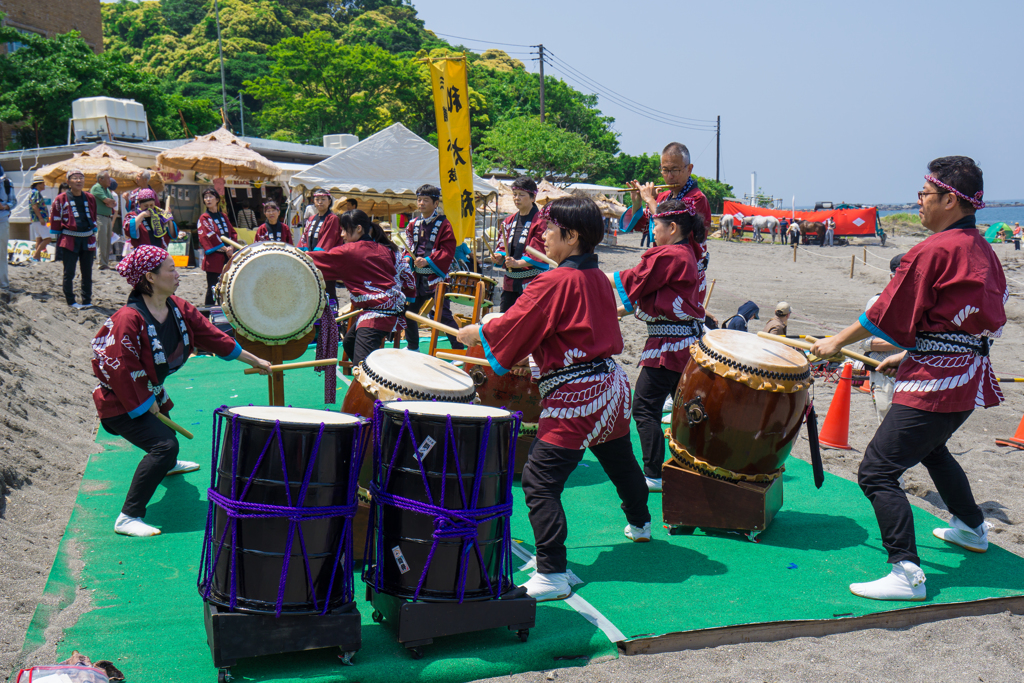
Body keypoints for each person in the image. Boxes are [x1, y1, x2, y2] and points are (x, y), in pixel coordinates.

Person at [811, 156, 1006, 601]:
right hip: (964, 375)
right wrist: (907, 354)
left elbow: (885, 311)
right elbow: (972, 324)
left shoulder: (935, 249)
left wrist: (835, 339)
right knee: (933, 450)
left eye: (925, 193)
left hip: (938, 380)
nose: (918, 200)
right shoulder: (982, 250)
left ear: (951, 200)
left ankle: (906, 571)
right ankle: (973, 527)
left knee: (876, 471)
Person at [456, 196, 651, 602]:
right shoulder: (595, 277)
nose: (541, 235)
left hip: (577, 393)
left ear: (572, 235)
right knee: (617, 455)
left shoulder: (556, 281)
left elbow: (516, 322)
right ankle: (641, 523)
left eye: (548, 228)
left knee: (539, 480)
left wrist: (478, 332)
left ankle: (553, 573)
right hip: (612, 384)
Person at [92, 245, 272, 537]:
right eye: (170, 269)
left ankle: (169, 465)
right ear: (150, 277)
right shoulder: (128, 318)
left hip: (149, 391)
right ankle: (128, 516)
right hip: (120, 402)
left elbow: (211, 336)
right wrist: (144, 400)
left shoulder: (178, 307)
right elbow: (119, 366)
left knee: (166, 436)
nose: (177, 274)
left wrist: (255, 360)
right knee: (164, 445)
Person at [608, 197, 705, 492]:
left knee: (645, 408)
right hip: (681, 342)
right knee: (687, 412)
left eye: (655, 225)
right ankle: (689, 470)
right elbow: (653, 291)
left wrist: (588, 277)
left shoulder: (672, 255)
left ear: (672, 227)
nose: (652, 231)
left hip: (670, 347)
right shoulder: (685, 252)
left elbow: (633, 278)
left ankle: (653, 474)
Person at [310, 210, 415, 365]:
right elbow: (408, 277)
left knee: (362, 364)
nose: (342, 235)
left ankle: (374, 380)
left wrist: (289, 253)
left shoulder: (349, 251)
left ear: (359, 228)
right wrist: (409, 300)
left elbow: (314, 261)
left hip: (376, 315)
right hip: (391, 311)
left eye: (345, 230)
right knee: (349, 343)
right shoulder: (389, 249)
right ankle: (379, 371)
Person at [625, 143, 712, 296]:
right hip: (663, 270)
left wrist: (651, 201)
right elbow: (643, 225)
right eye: (665, 170)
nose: (669, 176)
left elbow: (674, 225)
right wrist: (637, 201)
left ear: (689, 169)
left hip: (685, 275)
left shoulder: (697, 199)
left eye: (675, 170)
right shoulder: (664, 197)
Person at [403, 184, 464, 351]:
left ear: (436, 203)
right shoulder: (413, 224)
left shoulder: (444, 224)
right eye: (419, 200)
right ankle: (413, 347)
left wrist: (428, 261)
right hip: (417, 277)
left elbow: (448, 250)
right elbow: (408, 246)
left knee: (442, 315)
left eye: (425, 200)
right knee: (409, 311)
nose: (421, 203)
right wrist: (409, 258)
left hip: (436, 276)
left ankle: (459, 349)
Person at [492, 176, 550, 311]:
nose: (516, 198)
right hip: (509, 282)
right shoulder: (508, 221)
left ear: (532, 197)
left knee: (529, 324)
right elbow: (502, 245)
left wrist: (518, 263)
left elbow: (540, 251)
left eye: (521, 195)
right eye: (515, 194)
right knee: (505, 320)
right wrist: (499, 256)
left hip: (533, 282)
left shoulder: (541, 222)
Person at [859, 254, 904, 424]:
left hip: (914, 373)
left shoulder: (921, 301)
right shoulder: (878, 302)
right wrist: (903, 343)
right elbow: (865, 343)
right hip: (885, 374)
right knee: (887, 421)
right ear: (893, 275)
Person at [49, 170, 96, 310]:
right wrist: (57, 235)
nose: (78, 180)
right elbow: (56, 217)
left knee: (87, 271)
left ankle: (87, 300)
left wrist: (93, 231)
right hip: (69, 238)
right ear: (68, 182)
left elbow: (93, 215)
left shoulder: (90, 198)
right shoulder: (61, 198)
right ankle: (71, 301)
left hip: (87, 238)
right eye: (75, 178)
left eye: (81, 178)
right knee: (69, 272)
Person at [298, 188, 342, 302]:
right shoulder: (311, 218)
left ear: (329, 201)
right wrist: (302, 253)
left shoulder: (333, 219)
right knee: (313, 291)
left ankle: (332, 318)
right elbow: (304, 237)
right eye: (317, 199)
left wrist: (313, 255)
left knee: (327, 290)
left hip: (325, 261)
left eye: (323, 199)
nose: (320, 202)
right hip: (311, 260)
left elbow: (328, 239)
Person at [196, 189, 238, 306]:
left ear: (217, 200)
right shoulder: (204, 218)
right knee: (213, 288)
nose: (208, 199)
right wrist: (226, 249)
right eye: (206, 197)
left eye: (211, 196)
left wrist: (232, 247)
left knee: (227, 287)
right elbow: (208, 236)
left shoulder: (223, 216)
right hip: (214, 259)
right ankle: (207, 313)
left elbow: (232, 233)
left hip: (227, 258)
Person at [90, 171, 117, 270]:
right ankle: (101, 263)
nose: (110, 180)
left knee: (107, 241)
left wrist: (110, 202)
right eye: (108, 178)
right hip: (100, 216)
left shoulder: (106, 190)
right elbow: (107, 201)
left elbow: (113, 203)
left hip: (107, 217)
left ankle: (105, 262)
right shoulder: (97, 187)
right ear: (100, 179)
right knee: (101, 240)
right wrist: (109, 202)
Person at [0, 166, 17, 295]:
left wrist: (4, 206)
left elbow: (13, 201)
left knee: (1, 254)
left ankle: (3, 285)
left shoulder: (6, 183)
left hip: (2, 221)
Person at [28, 177, 50, 263]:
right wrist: (41, 218)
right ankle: (35, 256)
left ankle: (37, 258)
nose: (44, 185)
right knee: (47, 239)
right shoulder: (36, 193)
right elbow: (34, 206)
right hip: (38, 219)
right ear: (38, 184)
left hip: (36, 219)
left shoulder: (34, 192)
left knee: (39, 238)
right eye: (43, 183)